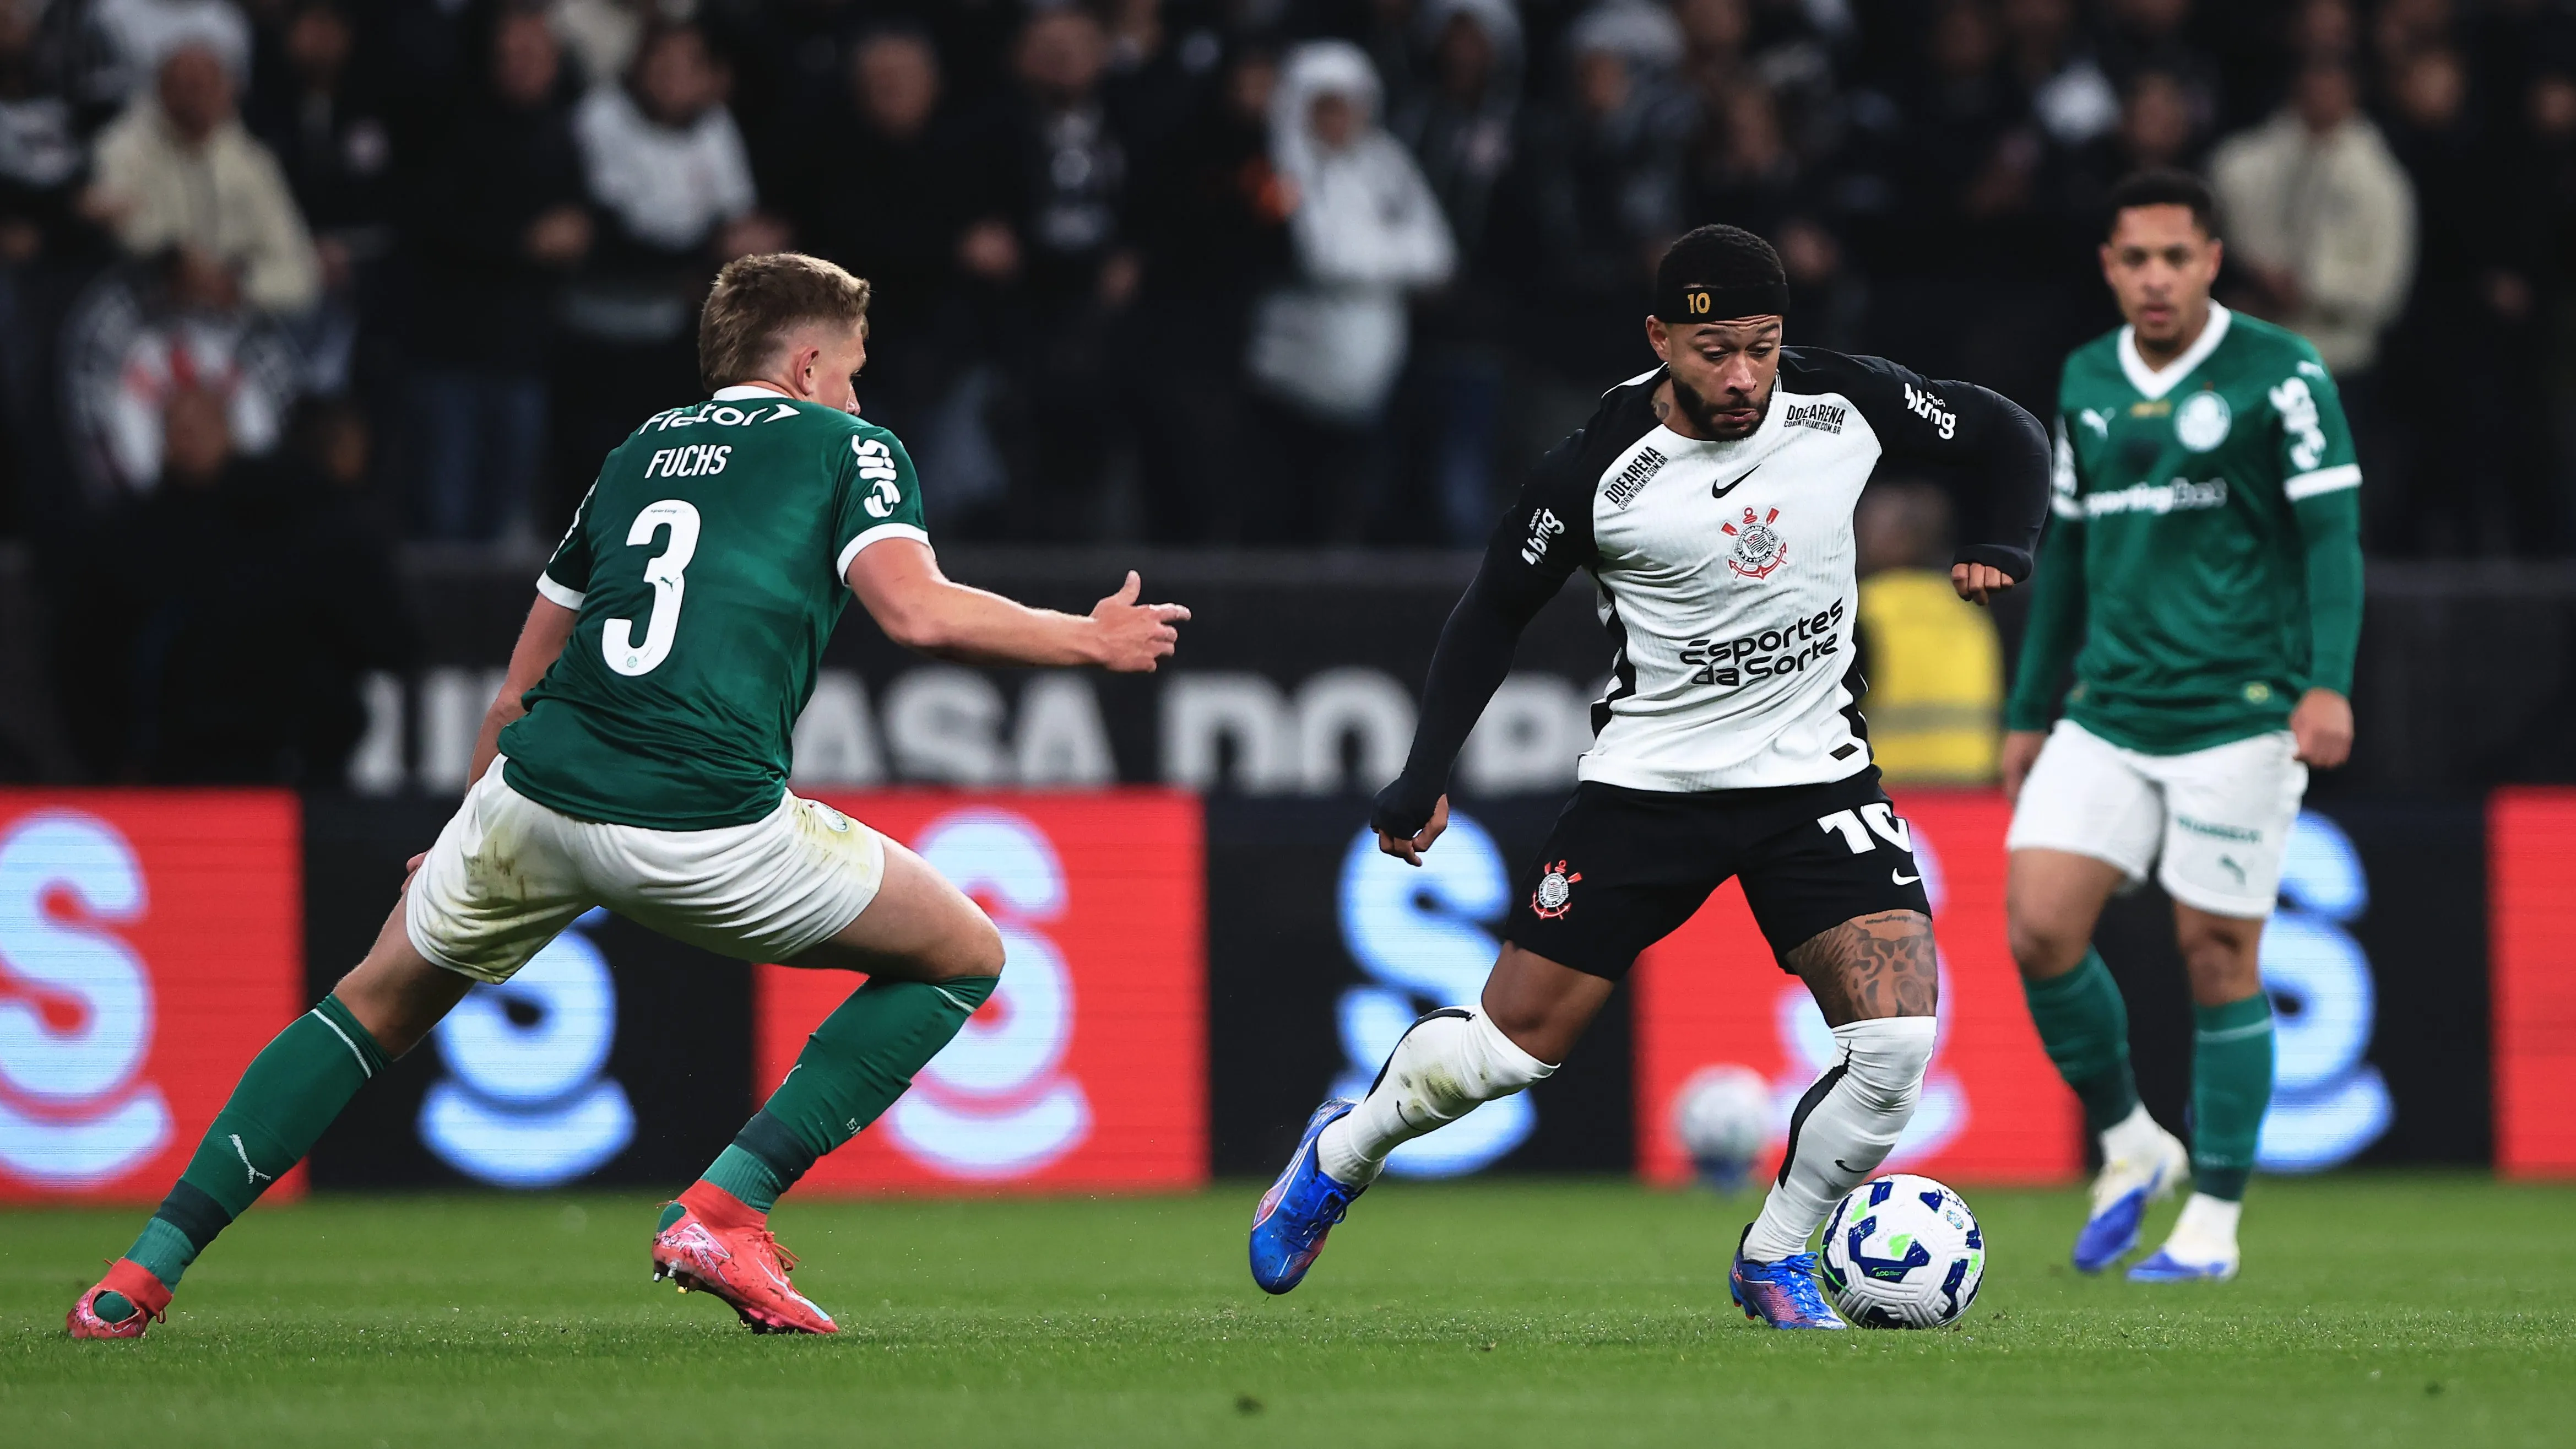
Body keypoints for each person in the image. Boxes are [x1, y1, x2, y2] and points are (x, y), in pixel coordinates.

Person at [67, 252, 1190, 1339]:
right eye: (849, 365)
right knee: (964, 954)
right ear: (806, 367)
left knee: (366, 1006)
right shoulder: (848, 444)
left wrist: (463, 827)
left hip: (534, 796)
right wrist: (1082, 638)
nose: (857, 388)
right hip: (698, 817)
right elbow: (919, 612)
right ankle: (723, 1208)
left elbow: (519, 685)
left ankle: (134, 1277)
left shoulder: (636, 453)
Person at [1248, 224, 2050, 1330]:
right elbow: (1491, 614)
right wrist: (1424, 771)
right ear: (1659, 338)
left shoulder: (1843, 401)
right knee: (1500, 1058)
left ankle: (1773, 1256)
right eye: (1714, 349)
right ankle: (1342, 1152)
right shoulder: (1596, 466)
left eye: (1762, 347)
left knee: (1897, 1043)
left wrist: (2009, 540)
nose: (1742, 377)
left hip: (1814, 779)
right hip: (1647, 791)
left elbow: (2003, 429)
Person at [2000, 170, 2363, 1284]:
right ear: (2108, 267)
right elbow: (2062, 553)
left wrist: (2326, 681)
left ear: (2213, 259)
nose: (2155, 278)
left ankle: (2211, 1221)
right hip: (2106, 711)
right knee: (2038, 926)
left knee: (2217, 957)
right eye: (2134, 259)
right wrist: (2027, 708)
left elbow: (2332, 537)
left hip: (2238, 713)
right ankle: (2129, 1140)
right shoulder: (2085, 378)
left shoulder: (2281, 373)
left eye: (2175, 256)